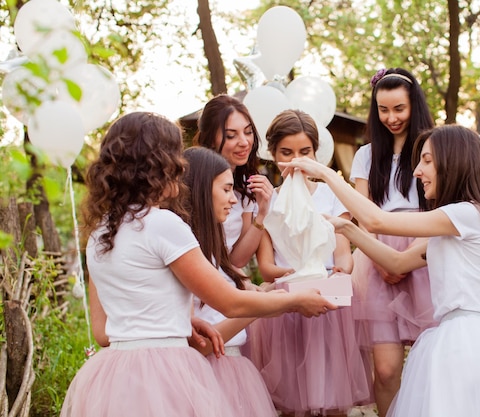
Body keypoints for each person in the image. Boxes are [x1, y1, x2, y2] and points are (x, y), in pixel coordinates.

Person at [280, 124, 480, 417]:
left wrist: (324, 173)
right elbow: (397, 263)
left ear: (452, 163)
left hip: (470, 340)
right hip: (454, 335)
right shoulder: (452, 225)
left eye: (426, 161)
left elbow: (377, 220)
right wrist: (346, 228)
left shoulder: (466, 214)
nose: (417, 171)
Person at [60, 112, 336, 417]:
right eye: (175, 157)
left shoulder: (100, 232)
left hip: (117, 379)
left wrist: (179, 320)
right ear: (158, 164)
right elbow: (229, 302)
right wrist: (293, 300)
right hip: (166, 374)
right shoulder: (163, 224)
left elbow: (102, 332)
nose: (180, 167)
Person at [251, 110, 373, 417]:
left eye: (304, 152)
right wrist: (298, 275)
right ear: (273, 154)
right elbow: (266, 266)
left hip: (328, 301)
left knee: (332, 392)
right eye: (286, 153)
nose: (295, 161)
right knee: (291, 398)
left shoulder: (332, 196)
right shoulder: (269, 201)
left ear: (315, 153)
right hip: (285, 305)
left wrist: (338, 271)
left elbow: (343, 253)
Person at [349, 67, 437, 416]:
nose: (391, 118)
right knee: (385, 369)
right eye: (383, 110)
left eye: (398, 108)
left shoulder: (433, 147)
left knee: (430, 360)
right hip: (378, 260)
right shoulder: (366, 156)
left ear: (414, 104)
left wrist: (409, 257)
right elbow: (362, 211)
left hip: (426, 252)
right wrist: (382, 259)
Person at [182, 146, 278, 416]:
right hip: (207, 377)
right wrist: (262, 305)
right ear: (201, 190)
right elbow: (200, 346)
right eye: (225, 190)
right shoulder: (187, 258)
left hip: (234, 369)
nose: (234, 200)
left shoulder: (215, 254)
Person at [194, 94, 273, 269]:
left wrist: (261, 213)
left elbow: (237, 260)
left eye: (248, 132)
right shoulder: (194, 183)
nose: (244, 142)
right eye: (231, 136)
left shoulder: (247, 185)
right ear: (210, 140)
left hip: (228, 279)